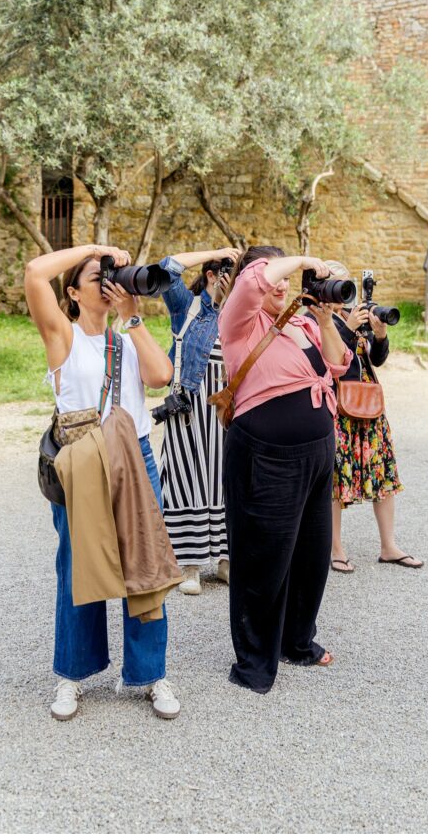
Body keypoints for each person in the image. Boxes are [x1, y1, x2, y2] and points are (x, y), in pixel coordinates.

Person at [24, 243, 181, 721]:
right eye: (97, 274)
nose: (109, 278)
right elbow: (34, 273)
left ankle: (150, 674)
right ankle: (72, 675)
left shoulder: (127, 335)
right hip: (84, 461)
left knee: (146, 565)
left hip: (136, 456)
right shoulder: (63, 337)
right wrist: (93, 247)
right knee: (79, 569)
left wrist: (133, 318)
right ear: (72, 292)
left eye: (113, 272)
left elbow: (163, 375)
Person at [218, 247, 352, 694]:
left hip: (316, 454)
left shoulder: (304, 323)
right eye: (276, 277)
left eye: (286, 280)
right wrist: (301, 259)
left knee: (312, 557)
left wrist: (328, 319)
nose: (280, 286)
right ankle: (254, 660)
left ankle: (297, 641)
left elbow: (339, 364)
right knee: (263, 559)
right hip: (265, 457)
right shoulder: (240, 323)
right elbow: (255, 281)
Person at [325, 261, 423, 574]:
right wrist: (348, 327)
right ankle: (335, 548)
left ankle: (389, 545)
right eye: (338, 286)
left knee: (384, 472)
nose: (344, 293)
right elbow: (327, 359)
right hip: (339, 405)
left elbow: (375, 360)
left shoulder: (355, 316)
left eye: (346, 285)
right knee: (336, 479)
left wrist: (379, 335)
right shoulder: (319, 319)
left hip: (369, 403)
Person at [157, 247, 240, 595]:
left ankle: (225, 560)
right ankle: (188, 566)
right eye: (229, 275)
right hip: (190, 405)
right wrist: (219, 252)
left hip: (227, 409)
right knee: (186, 478)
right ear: (211, 275)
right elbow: (166, 268)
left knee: (226, 479)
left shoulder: (240, 314)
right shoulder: (186, 307)